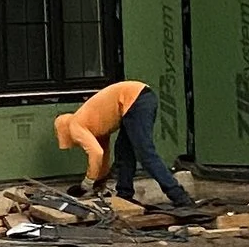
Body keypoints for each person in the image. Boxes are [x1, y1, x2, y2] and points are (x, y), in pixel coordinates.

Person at [54, 78, 197, 211]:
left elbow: (96, 153)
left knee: (145, 154)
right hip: (138, 98)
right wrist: (99, 180)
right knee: (123, 151)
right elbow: (103, 155)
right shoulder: (90, 123)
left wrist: (87, 184)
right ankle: (124, 195)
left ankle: (179, 197)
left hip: (135, 100)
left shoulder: (74, 125)